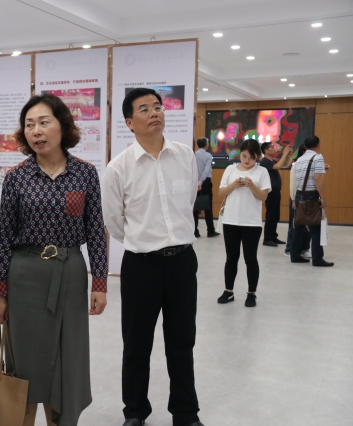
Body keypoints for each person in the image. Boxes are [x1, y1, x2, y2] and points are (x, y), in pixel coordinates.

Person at [0, 94, 108, 426]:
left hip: (70, 274)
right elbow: (4, 237)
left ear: (62, 126)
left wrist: (100, 284)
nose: (36, 131)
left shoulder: (85, 174)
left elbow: (96, 231)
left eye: (44, 122)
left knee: (67, 358)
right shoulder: (17, 177)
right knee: (25, 362)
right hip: (25, 277)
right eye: (29, 125)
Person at [102, 88, 204, 426]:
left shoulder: (185, 155)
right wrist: (144, 239)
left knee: (182, 342)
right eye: (144, 109)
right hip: (141, 265)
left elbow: (188, 203)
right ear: (130, 122)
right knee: (136, 345)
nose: (154, 113)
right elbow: (114, 221)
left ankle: (186, 413)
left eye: (157, 106)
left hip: (182, 262)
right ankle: (135, 412)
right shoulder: (118, 168)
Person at [216, 140, 271, 307]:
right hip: (231, 220)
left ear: (257, 157)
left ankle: (251, 293)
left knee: (250, 259)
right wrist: (234, 185)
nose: (247, 160)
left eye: (251, 157)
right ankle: (228, 291)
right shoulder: (230, 169)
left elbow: (263, 196)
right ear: (240, 154)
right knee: (231, 258)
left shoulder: (262, 171)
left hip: (251, 223)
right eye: (244, 156)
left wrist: (252, 185)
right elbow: (221, 192)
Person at [290, 135, 334, 266]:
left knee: (298, 226)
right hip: (311, 196)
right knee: (316, 228)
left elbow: (300, 178)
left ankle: (294, 255)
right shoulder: (318, 157)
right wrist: (323, 197)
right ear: (318, 145)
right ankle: (317, 259)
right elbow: (317, 178)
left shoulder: (299, 159)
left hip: (299, 194)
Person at [260, 142, 293, 247]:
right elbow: (278, 166)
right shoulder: (264, 161)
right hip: (270, 192)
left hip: (276, 191)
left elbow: (284, 164)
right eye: (272, 147)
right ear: (266, 151)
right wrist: (284, 153)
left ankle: (273, 236)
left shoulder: (271, 160)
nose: (275, 149)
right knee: (271, 215)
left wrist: (287, 155)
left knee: (275, 215)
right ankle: (267, 239)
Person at [284, 144, 311, 257]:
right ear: (303, 152)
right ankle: (290, 248)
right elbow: (293, 185)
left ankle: (304, 248)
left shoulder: (312, 164)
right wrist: (294, 199)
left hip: (309, 198)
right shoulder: (296, 165)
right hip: (296, 198)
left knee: (308, 225)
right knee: (295, 225)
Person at [193, 137, 220, 238]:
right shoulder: (208, 155)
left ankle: (195, 231)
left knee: (195, 208)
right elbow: (206, 170)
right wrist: (201, 182)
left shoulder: (193, 154)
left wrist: (197, 182)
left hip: (195, 182)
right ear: (206, 145)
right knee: (208, 207)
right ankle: (210, 231)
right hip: (205, 183)